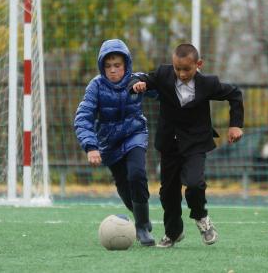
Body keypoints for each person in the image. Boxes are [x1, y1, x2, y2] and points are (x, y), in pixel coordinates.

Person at [131, 43, 244, 248]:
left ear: (198, 64)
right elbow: (143, 78)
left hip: (195, 142)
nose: (181, 74)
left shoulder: (208, 84)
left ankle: (201, 217)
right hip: (169, 144)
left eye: (186, 69)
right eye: (177, 68)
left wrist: (235, 125)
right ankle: (173, 233)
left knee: (194, 183)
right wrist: (138, 83)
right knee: (168, 192)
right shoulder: (164, 74)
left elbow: (234, 94)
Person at [74, 39, 156, 246]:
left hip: (134, 134)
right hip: (109, 143)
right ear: (102, 66)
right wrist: (91, 147)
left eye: (117, 65)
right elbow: (83, 117)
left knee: (136, 173)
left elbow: (162, 90)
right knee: (123, 186)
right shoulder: (96, 86)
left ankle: (142, 226)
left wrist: (149, 83)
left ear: (126, 65)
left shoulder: (136, 80)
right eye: (108, 66)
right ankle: (141, 218)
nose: (113, 70)